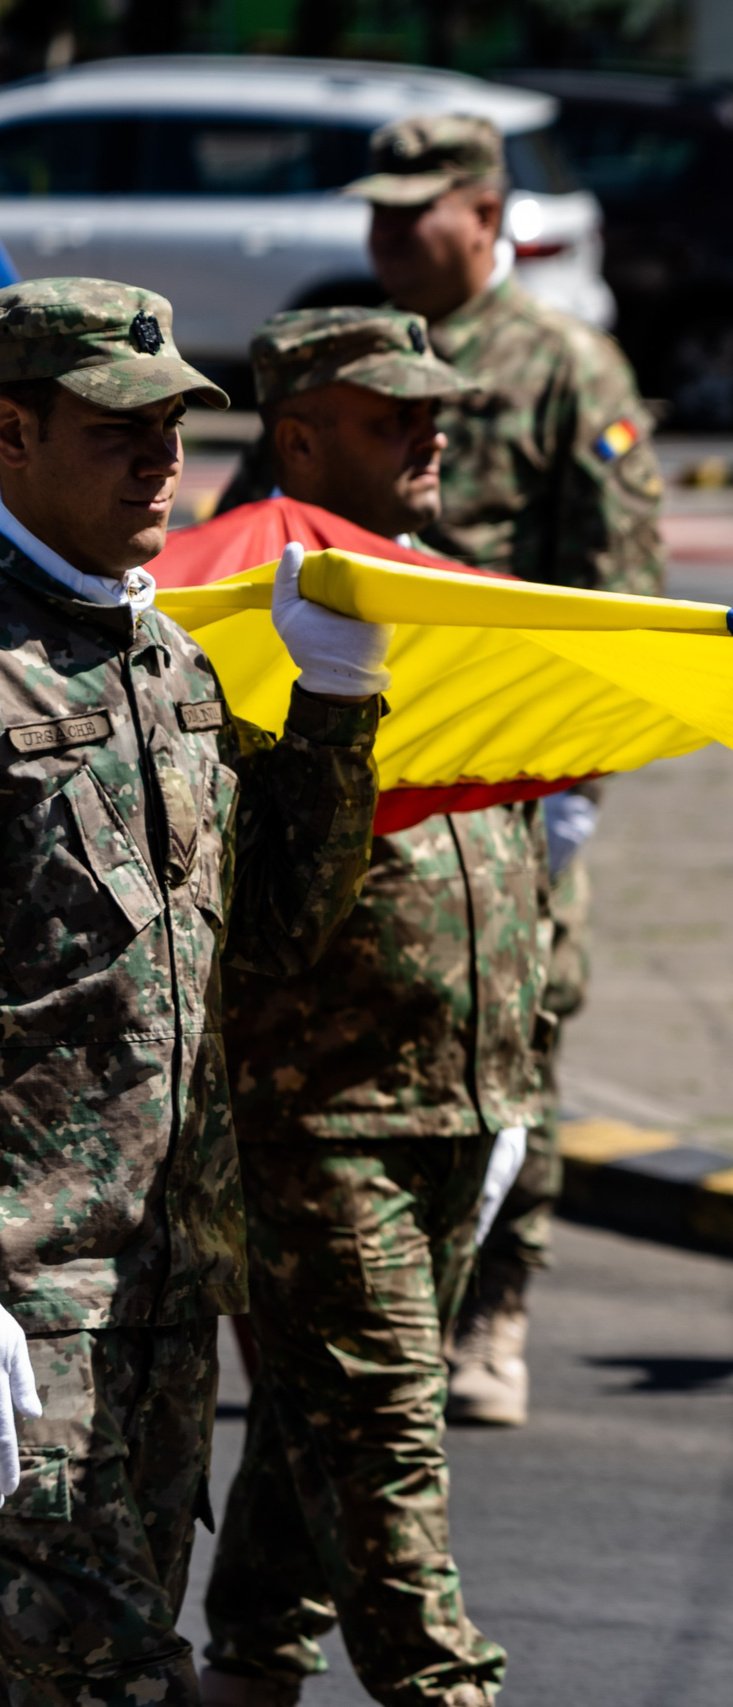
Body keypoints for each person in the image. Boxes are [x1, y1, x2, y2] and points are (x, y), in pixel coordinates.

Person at [0, 279, 387, 1706]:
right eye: (119, 431)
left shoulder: (166, 659)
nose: (164, 462)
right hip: (24, 1291)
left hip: (159, 1297)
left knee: (116, 1653)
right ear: (11, 431)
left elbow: (264, 942)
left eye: (175, 427)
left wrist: (337, 713)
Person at [196, 309, 534, 1707]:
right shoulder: (226, 610)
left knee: (310, 1425)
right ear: (298, 433)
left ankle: (251, 1660)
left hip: (461, 1096)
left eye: (437, 411)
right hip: (320, 1116)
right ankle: (444, 1688)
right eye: (394, 415)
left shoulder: (452, 589)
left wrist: (522, 1069)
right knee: (388, 1438)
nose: (432, 434)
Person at [336, 112, 667, 1427]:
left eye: (414, 210)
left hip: (511, 772)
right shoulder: (355, 352)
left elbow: (624, 592)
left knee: (509, 1048)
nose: (386, 234)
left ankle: (495, 1310)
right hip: (360, 761)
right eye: (375, 212)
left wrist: (581, 779)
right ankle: (382, 1301)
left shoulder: (566, 367)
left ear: (486, 213)